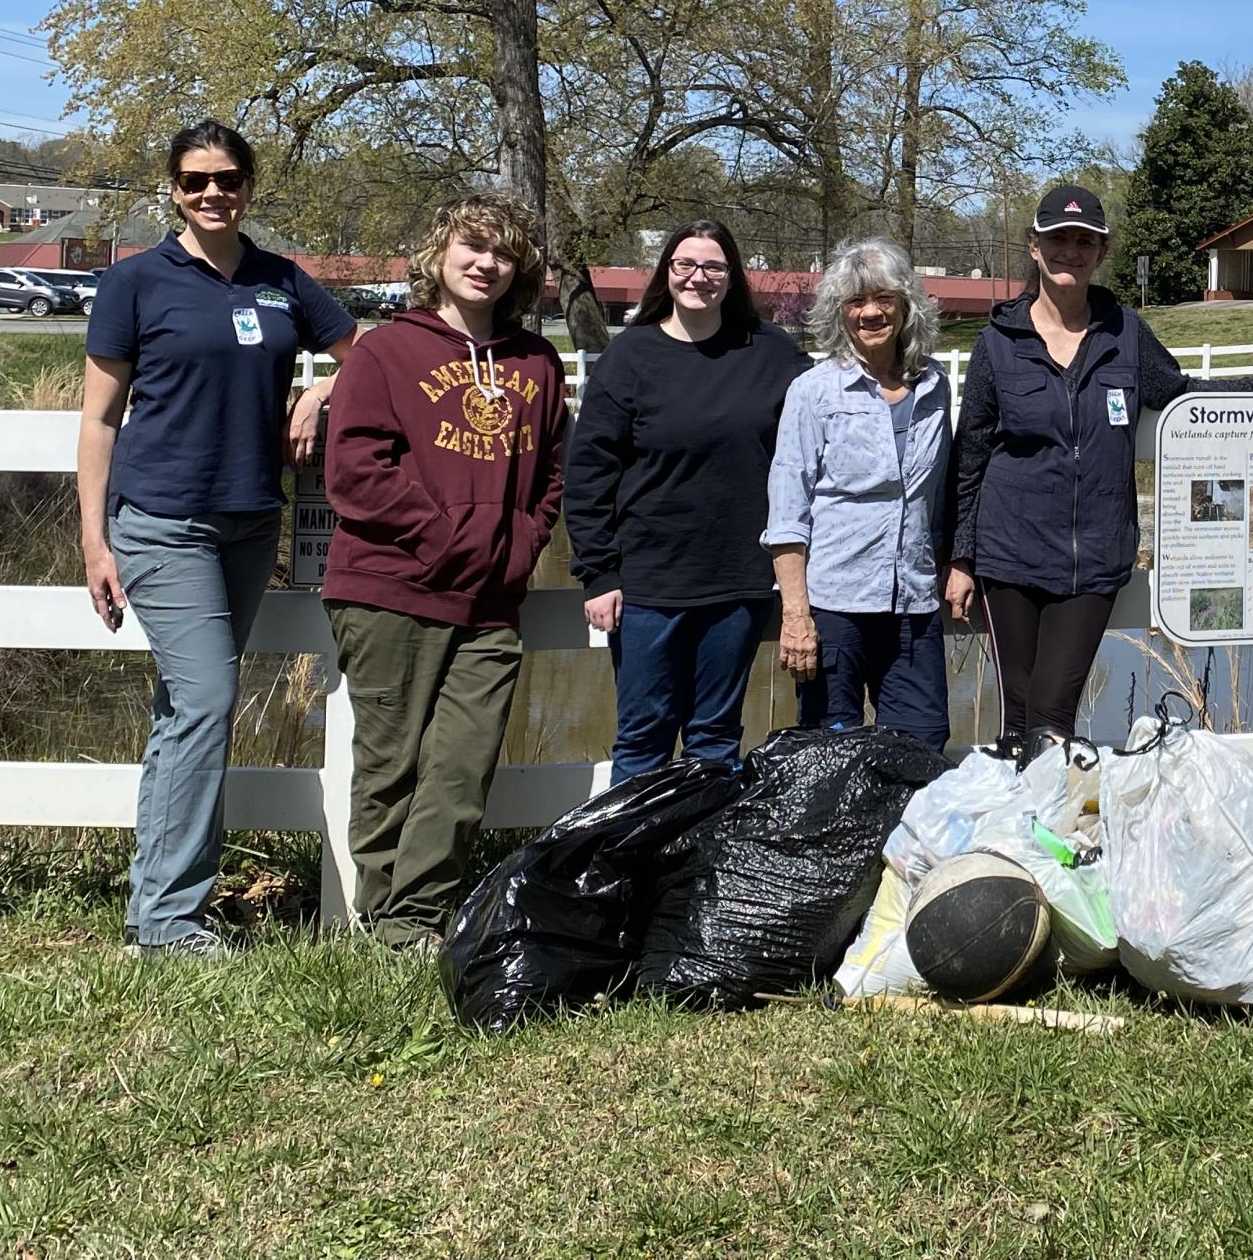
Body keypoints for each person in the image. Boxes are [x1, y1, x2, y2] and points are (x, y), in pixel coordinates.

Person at [78, 121, 357, 957]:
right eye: (196, 179)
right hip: (161, 519)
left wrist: (318, 393)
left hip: (248, 519)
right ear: (172, 188)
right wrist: (94, 541)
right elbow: (98, 417)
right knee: (204, 701)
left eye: (228, 178)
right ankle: (170, 921)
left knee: (186, 710)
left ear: (248, 186)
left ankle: (153, 910)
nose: (212, 193)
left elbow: (365, 354)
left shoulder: (280, 280)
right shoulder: (135, 282)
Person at [945, 184, 1253, 756]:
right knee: (1016, 716)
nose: (1069, 251)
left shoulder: (1124, 332)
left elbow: (1183, 396)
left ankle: (1055, 833)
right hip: (1010, 554)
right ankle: (1030, 839)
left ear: (1101, 252)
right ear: (1035, 247)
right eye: (1058, 239)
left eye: (1084, 241)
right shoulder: (998, 343)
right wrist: (961, 556)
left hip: (1095, 555)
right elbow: (971, 453)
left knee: (1051, 713)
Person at [320, 193, 569, 949]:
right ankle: (387, 924)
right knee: (390, 763)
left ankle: (416, 916)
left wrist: (522, 543)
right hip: (392, 587)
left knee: (461, 767)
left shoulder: (537, 361)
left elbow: (555, 473)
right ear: (440, 253)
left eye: (502, 252)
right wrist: (446, 540)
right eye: (472, 245)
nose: (485, 262)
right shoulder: (385, 353)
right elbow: (357, 469)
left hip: (492, 600)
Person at [566, 218, 808, 781]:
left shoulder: (771, 352)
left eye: (713, 266)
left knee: (715, 739)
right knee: (643, 739)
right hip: (649, 585)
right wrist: (597, 573)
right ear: (666, 272)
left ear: (732, 276)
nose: (698, 277)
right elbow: (588, 472)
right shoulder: (631, 356)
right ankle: (631, 865)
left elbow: (824, 422)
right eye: (685, 265)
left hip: (738, 580)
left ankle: (698, 866)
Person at [766, 238, 955, 750]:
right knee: (828, 754)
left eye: (883, 299)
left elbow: (940, 496)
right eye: (855, 302)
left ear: (906, 304)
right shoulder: (814, 392)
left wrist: (954, 563)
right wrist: (796, 615)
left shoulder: (935, 386)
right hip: (835, 606)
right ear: (839, 313)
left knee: (922, 745)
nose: (870, 312)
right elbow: (788, 512)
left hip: (912, 603)